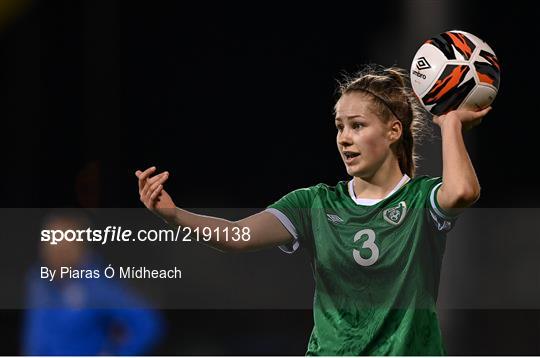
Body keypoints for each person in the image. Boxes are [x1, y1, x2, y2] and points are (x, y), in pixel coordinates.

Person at [135, 65, 490, 355]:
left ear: (393, 130)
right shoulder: (314, 203)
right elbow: (237, 236)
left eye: (357, 125)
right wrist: (175, 215)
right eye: (339, 126)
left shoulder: (419, 199)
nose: (344, 138)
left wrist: (450, 124)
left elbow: (462, 191)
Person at [23, 212, 164, 355]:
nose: (56, 254)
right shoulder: (37, 281)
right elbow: (35, 336)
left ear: (81, 249)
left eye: (64, 248)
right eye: (51, 244)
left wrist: (117, 354)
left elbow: (147, 324)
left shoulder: (96, 284)